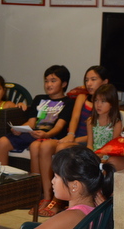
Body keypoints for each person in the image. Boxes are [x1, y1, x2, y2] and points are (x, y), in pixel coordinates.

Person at [36, 65, 110, 217]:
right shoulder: (82, 98)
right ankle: (47, 195)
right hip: (75, 138)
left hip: (86, 140)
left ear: (105, 82)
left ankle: (59, 200)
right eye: (87, 80)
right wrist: (70, 134)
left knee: (62, 150)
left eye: (93, 79)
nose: (89, 83)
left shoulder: (105, 103)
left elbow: (94, 133)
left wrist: (74, 139)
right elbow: (75, 118)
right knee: (48, 146)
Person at [0, 65, 74, 164]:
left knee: (36, 145)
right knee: (2, 141)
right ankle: (2, 176)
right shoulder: (39, 98)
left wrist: (46, 134)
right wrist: (19, 129)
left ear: (64, 84)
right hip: (33, 133)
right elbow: (31, 122)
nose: (48, 84)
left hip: (52, 136)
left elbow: (59, 126)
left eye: (53, 81)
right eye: (46, 81)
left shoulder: (68, 102)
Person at [87, 84, 122, 153]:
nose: (98, 105)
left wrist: (102, 155)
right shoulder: (90, 121)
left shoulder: (116, 123)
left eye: (103, 101)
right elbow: (89, 145)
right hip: (94, 155)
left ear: (112, 103)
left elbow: (114, 147)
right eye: (96, 100)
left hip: (108, 155)